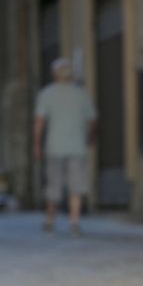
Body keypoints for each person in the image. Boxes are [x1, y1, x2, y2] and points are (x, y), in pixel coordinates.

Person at [33, 58, 97, 236]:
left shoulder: (47, 94)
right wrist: (90, 137)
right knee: (76, 185)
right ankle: (74, 221)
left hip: (55, 146)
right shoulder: (81, 94)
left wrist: (37, 144)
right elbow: (92, 120)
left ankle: (50, 220)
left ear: (54, 74)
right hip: (77, 146)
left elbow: (39, 122)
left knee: (53, 184)